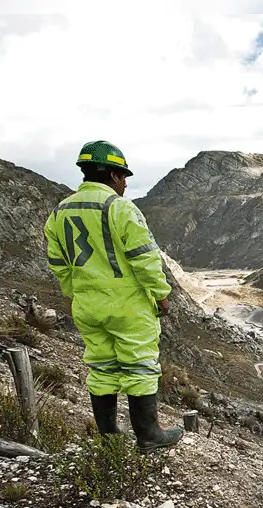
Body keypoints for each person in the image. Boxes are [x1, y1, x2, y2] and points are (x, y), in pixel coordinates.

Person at [44, 140, 183, 453]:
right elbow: (144, 258)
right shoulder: (119, 208)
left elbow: (57, 263)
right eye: (122, 176)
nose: (125, 182)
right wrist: (160, 294)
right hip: (128, 306)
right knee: (140, 365)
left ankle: (108, 435)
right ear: (110, 174)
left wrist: (78, 292)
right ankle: (149, 435)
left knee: (102, 366)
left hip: (87, 306)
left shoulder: (60, 212)